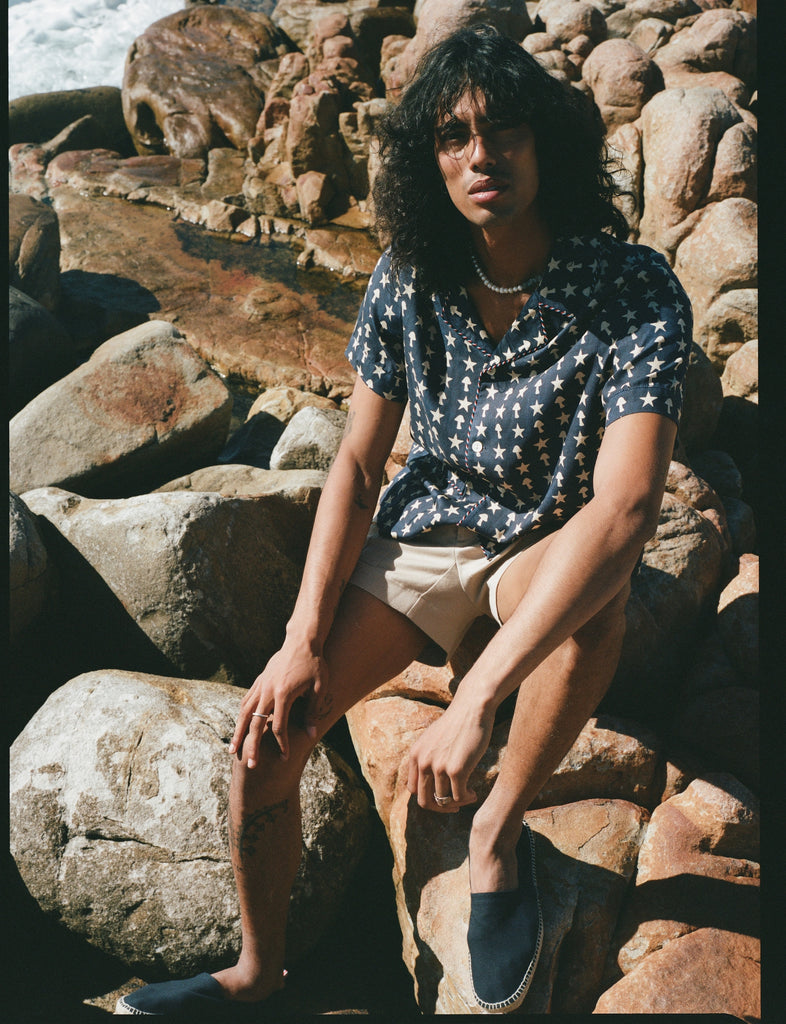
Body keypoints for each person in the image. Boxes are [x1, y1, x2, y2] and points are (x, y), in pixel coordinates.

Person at [116, 23, 690, 1017]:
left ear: (544, 142)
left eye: (504, 130)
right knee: (267, 736)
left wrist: (477, 705)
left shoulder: (631, 288)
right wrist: (301, 639)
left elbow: (628, 503)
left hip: (543, 539)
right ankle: (258, 970)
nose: (482, 155)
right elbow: (354, 458)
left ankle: (497, 830)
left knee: (596, 603)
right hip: (430, 534)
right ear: (429, 158)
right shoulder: (409, 273)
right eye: (454, 136)